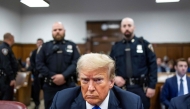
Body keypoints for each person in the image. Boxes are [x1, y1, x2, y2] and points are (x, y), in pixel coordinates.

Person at [50, 53, 143, 109]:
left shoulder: (132, 103)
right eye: (85, 80)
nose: (90, 88)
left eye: (98, 80)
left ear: (111, 82)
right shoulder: (61, 101)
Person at [110, 17, 157, 109]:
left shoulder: (144, 44)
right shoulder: (116, 47)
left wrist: (152, 86)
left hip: (141, 88)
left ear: (134, 27)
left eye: (129, 25)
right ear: (121, 29)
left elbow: (153, 66)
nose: (127, 28)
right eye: (124, 26)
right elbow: (109, 66)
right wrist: (114, 77)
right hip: (122, 88)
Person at [36, 22, 80, 109]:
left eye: (60, 29)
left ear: (64, 31)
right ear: (52, 32)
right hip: (50, 86)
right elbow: (39, 64)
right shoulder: (45, 46)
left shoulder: (72, 45)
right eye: (55, 30)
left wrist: (64, 76)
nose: (57, 32)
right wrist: (53, 76)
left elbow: (77, 62)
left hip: (68, 85)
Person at [0, 33, 18, 100]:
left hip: (5, 78)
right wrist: (12, 78)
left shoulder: (5, 47)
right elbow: (6, 64)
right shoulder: (4, 49)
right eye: (13, 39)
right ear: (10, 39)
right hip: (6, 79)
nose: (14, 41)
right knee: (7, 99)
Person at [30, 38, 44, 109]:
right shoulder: (34, 52)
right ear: (36, 44)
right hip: (36, 74)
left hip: (44, 74)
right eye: (38, 43)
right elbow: (31, 63)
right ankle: (37, 104)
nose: (39, 44)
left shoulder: (46, 52)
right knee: (36, 90)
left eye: (41, 43)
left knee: (45, 89)